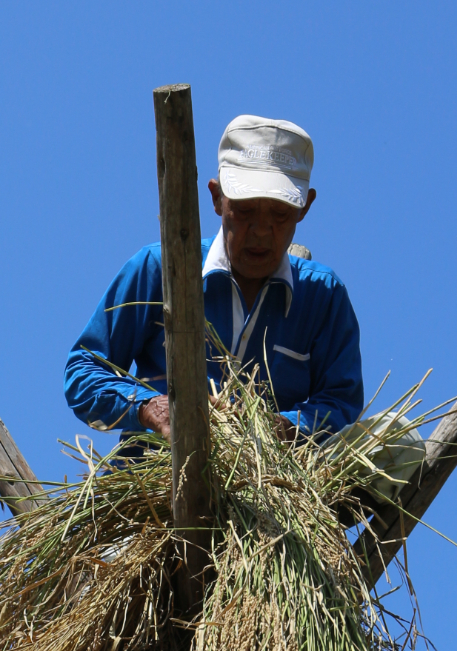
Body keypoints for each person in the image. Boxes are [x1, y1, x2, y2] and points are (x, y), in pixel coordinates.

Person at [65, 113, 363, 441]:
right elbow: (83, 372)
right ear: (217, 198)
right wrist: (150, 406)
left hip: (264, 487)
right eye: (246, 209)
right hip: (154, 481)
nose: (262, 231)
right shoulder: (159, 270)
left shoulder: (323, 297)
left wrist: (281, 427)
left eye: (280, 214)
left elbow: (341, 402)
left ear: (304, 208)